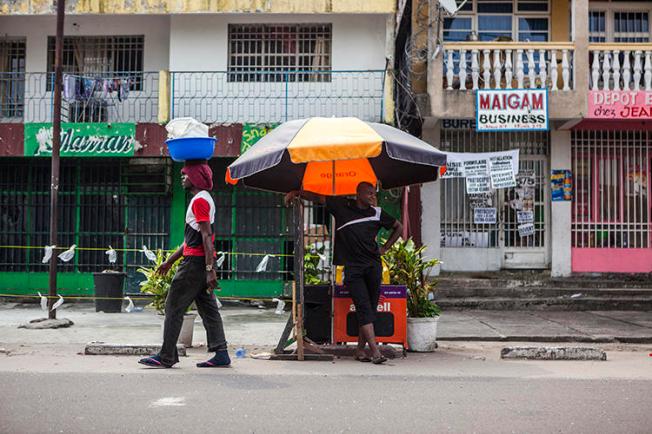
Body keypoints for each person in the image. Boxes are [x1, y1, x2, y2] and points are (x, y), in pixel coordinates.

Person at [285, 182, 402, 364]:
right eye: (369, 193)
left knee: (369, 309)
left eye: (374, 193)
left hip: (373, 266)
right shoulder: (342, 207)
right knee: (363, 307)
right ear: (358, 194)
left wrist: (385, 248)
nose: (373, 196)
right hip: (353, 269)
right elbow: (318, 197)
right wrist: (296, 191)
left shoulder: (377, 213)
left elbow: (398, 227)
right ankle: (375, 351)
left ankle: (360, 351)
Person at [139, 160, 230, 368]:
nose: (182, 178)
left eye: (185, 174)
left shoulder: (199, 201)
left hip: (195, 265)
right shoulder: (204, 198)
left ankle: (166, 356)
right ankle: (221, 352)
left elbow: (207, 236)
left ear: (195, 178)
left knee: (173, 305)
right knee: (208, 308)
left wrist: (209, 270)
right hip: (199, 262)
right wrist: (169, 262)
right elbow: (192, 239)